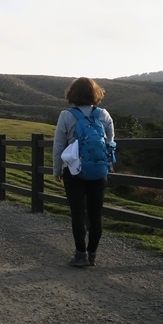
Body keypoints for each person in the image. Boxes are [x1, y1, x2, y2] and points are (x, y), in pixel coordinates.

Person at [52, 77, 115, 267]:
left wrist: (57, 169)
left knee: (78, 213)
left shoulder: (66, 115)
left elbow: (59, 146)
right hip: (98, 169)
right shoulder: (104, 115)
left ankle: (81, 255)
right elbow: (110, 144)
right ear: (96, 94)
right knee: (96, 214)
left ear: (72, 94)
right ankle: (93, 254)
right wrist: (108, 168)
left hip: (74, 170)